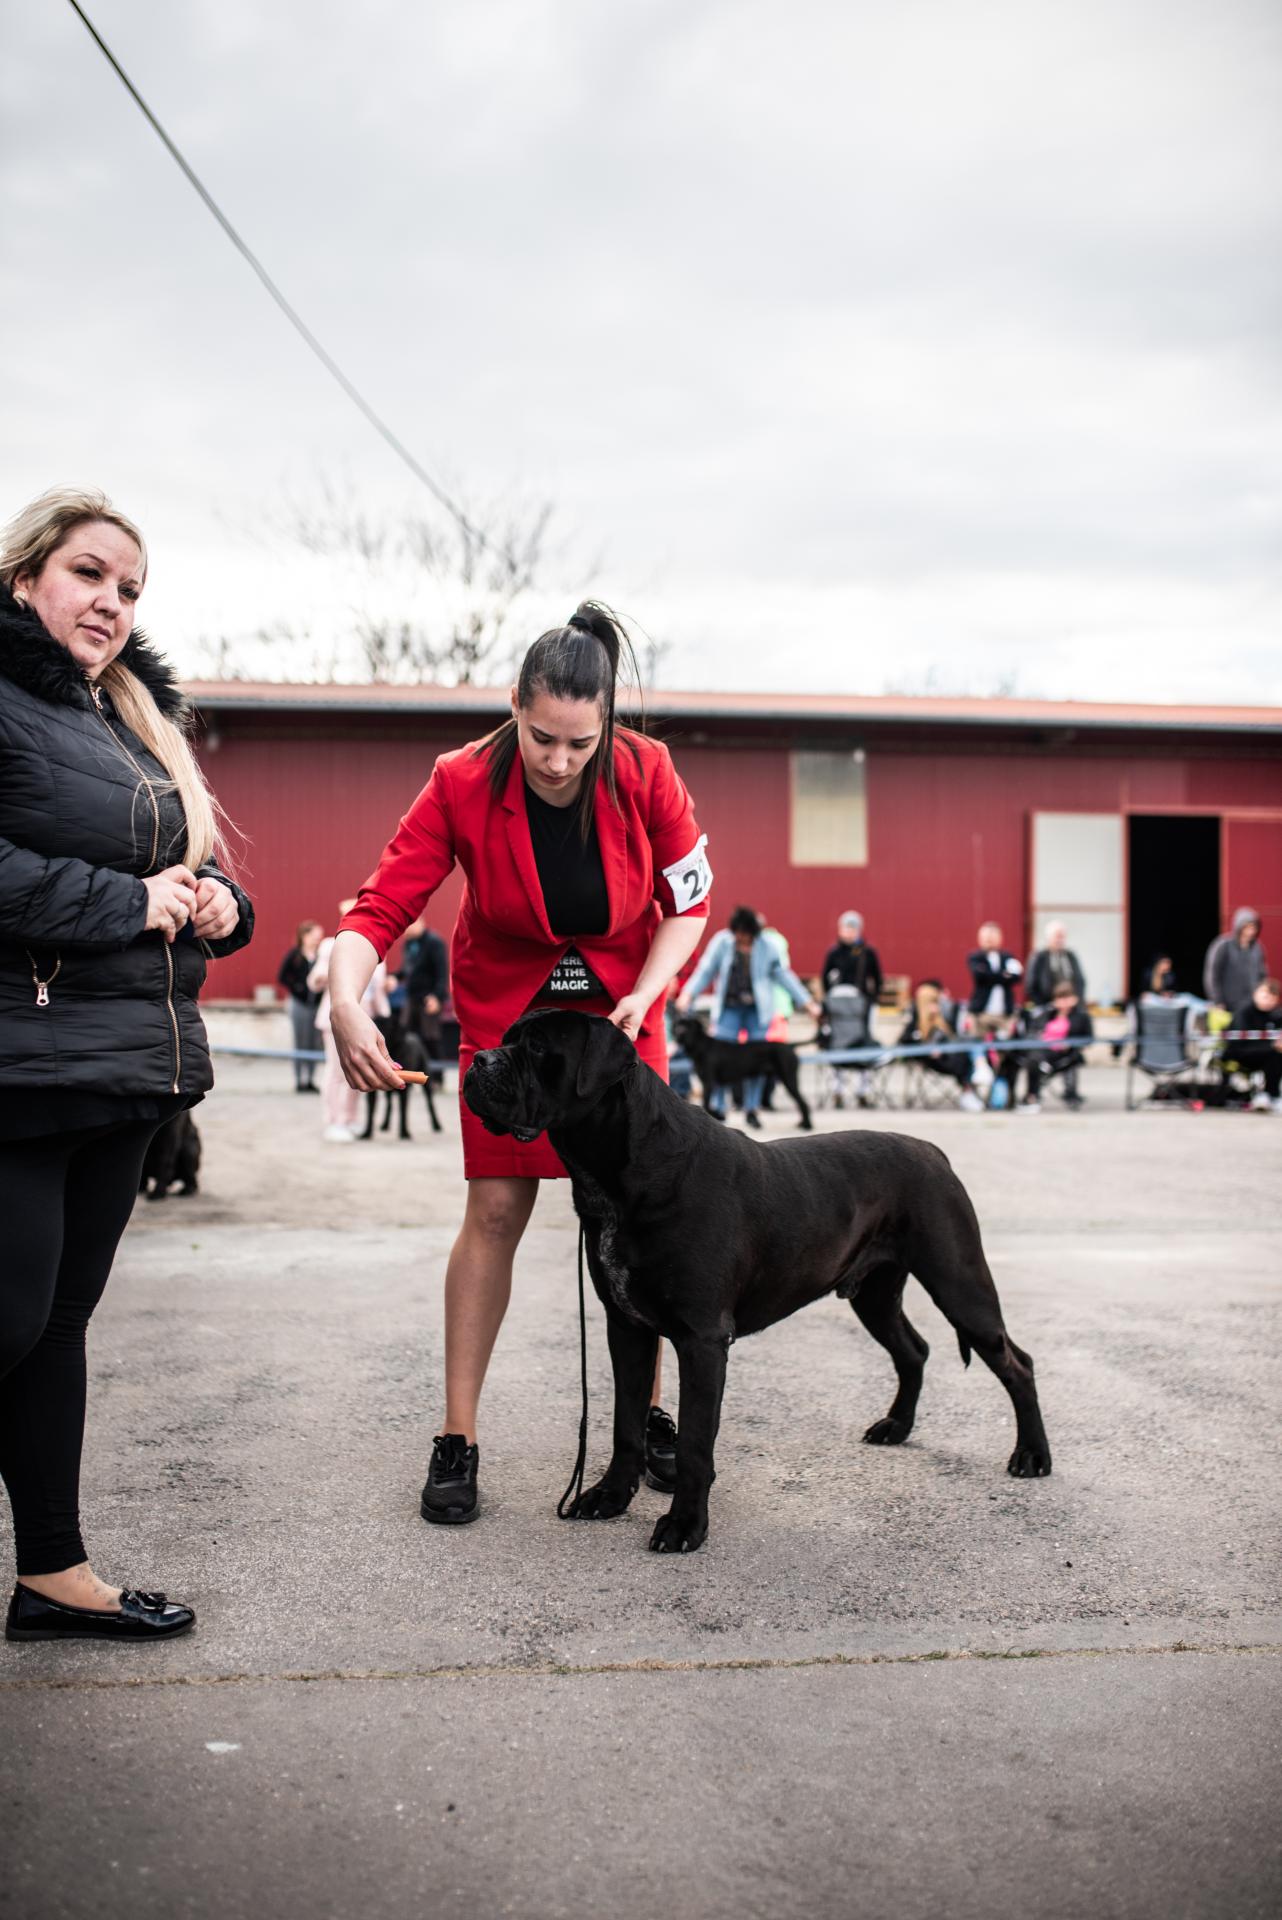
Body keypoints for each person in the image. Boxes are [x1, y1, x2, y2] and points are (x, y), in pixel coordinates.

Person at [327, 604, 713, 1524]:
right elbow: (381, 907)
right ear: (513, 706)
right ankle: (457, 1436)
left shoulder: (647, 770)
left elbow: (689, 901)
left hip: (620, 1018)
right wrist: (345, 998)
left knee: (643, 1220)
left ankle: (647, 1418)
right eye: (543, 738)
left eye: (581, 742)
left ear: (607, 722)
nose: (560, 761)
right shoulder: (460, 780)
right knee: (496, 1210)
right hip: (512, 1023)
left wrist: (648, 992)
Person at [0, 487, 253, 1644]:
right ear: (25, 578)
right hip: (22, 1065)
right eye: (89, 574)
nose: (111, 602)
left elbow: (186, 868)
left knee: (57, 1329)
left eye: (131, 589)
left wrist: (220, 902)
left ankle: (54, 1574)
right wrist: (127, 904)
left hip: (125, 1069)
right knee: (9, 1323)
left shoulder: (132, 717)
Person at [676, 904, 821, 1124]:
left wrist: (808, 1003)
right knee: (717, 1061)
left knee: (757, 1062)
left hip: (758, 1011)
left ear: (754, 933)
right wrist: (688, 994)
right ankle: (718, 1109)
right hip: (729, 1009)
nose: (741, 938)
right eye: (738, 933)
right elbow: (706, 970)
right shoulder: (722, 942)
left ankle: (752, 1109)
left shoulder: (767, 946)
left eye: (746, 934)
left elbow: (784, 976)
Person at [309, 900, 388, 1143]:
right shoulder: (331, 946)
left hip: (366, 1021)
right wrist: (324, 974)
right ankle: (335, 1120)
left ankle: (350, 1117)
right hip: (335, 1020)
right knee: (337, 1071)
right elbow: (314, 981)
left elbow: (378, 992)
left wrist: (385, 1014)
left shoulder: (377, 950)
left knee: (359, 1070)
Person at [820, 911, 883, 1107]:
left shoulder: (867, 952)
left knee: (864, 1044)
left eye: (852, 928)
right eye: (845, 928)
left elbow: (877, 979)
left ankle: (863, 1090)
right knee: (838, 1045)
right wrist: (830, 1002)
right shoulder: (834, 953)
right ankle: (837, 1091)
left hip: (862, 1008)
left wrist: (871, 1000)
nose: (848, 932)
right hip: (839, 1010)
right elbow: (824, 978)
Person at [898, 982, 984, 1112]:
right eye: (933, 1003)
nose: (936, 1006)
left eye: (937, 1003)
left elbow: (951, 1037)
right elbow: (905, 1042)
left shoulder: (941, 1019)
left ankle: (971, 1085)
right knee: (961, 1059)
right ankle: (969, 1088)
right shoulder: (915, 1020)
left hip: (947, 1056)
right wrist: (927, 1050)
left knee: (965, 1050)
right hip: (931, 1060)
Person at [1010, 982, 1094, 1111]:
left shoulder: (1081, 1017)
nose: (1063, 1002)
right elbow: (1033, 1031)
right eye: (1060, 998)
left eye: (1066, 998)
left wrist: (1070, 1043)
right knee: (1028, 1058)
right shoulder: (1047, 1014)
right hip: (1041, 1050)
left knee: (1034, 1059)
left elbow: (1088, 1039)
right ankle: (1028, 1095)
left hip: (1064, 1054)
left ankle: (1032, 1096)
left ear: (1074, 999)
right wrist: (1039, 1035)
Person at [277, 918, 323, 1091]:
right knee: (300, 1041)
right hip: (299, 1004)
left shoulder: (320, 957)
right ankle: (299, 1080)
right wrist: (298, 988)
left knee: (314, 1042)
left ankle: (310, 1079)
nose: (317, 940)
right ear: (304, 936)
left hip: (316, 1005)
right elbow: (282, 976)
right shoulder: (295, 955)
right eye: (314, 936)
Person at [1229, 978, 1282, 1113]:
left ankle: (1269, 1094)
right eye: (1265, 997)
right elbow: (1239, 1043)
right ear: (1256, 994)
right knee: (1274, 1054)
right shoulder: (1244, 1012)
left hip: (1265, 1053)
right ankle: (1270, 1095)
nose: (1268, 1001)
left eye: (1272, 999)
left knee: (1276, 1053)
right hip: (1240, 1052)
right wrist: (1272, 1045)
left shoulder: (1275, 1014)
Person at [1205, 908, 1268, 1013]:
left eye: (1254, 927)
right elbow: (1212, 974)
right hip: (1227, 1003)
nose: (1251, 931)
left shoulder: (1257, 948)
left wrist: (1262, 996)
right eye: (1247, 927)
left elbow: (1262, 974)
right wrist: (1217, 1000)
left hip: (1251, 1003)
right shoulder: (1223, 945)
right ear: (1239, 927)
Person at [965, 922, 1023, 1035]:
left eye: (992, 936)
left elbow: (1017, 977)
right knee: (977, 1041)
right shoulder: (975, 957)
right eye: (986, 936)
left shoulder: (1008, 957)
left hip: (1004, 1014)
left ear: (1000, 938)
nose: (989, 939)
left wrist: (990, 975)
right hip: (980, 1014)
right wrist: (1004, 975)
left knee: (1007, 1042)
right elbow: (980, 976)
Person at [1025, 921, 1086, 1008]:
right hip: (1047, 1005)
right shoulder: (1039, 957)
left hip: (1071, 1006)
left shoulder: (1070, 956)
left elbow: (1080, 981)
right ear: (1049, 937)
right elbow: (1031, 985)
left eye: (1062, 937)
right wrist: (1043, 1005)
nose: (1060, 940)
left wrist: (1076, 1001)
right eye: (1057, 937)